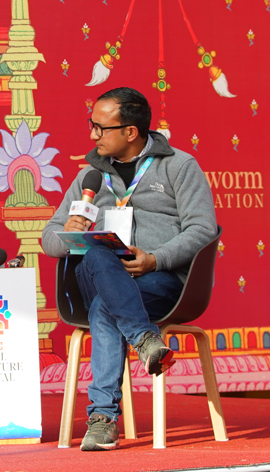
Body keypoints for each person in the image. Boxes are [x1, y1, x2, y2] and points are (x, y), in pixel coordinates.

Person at [42, 87, 217, 452]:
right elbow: (49, 241)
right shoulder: (90, 176)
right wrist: (67, 232)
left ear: (130, 131)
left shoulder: (179, 166)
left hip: (160, 280)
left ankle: (103, 419)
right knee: (97, 254)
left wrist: (156, 259)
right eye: (91, 125)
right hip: (98, 276)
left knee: (105, 307)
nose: (93, 135)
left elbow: (202, 229)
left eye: (100, 127)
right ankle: (145, 339)